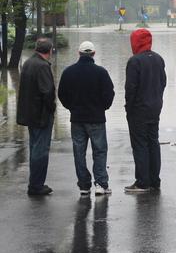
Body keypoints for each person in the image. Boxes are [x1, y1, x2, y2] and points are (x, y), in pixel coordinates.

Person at [58, 41, 115, 196]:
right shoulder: (101, 72)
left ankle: (84, 185)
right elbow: (109, 94)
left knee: (79, 152)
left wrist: (72, 107)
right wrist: (103, 107)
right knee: (100, 151)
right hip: (96, 118)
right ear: (94, 54)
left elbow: (61, 94)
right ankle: (101, 184)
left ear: (79, 53)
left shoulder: (68, 72)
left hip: (77, 119)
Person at [124, 28, 167, 193]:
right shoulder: (158, 59)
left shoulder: (134, 62)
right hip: (155, 108)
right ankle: (155, 180)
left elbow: (130, 88)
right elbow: (163, 82)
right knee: (153, 142)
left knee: (140, 144)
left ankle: (142, 182)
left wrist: (129, 108)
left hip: (139, 110)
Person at [16, 37, 56, 195]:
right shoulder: (42, 66)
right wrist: (52, 109)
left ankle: (34, 183)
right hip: (41, 116)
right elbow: (47, 92)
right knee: (41, 149)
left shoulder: (28, 63)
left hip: (30, 114)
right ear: (50, 51)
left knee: (34, 147)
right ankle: (37, 185)